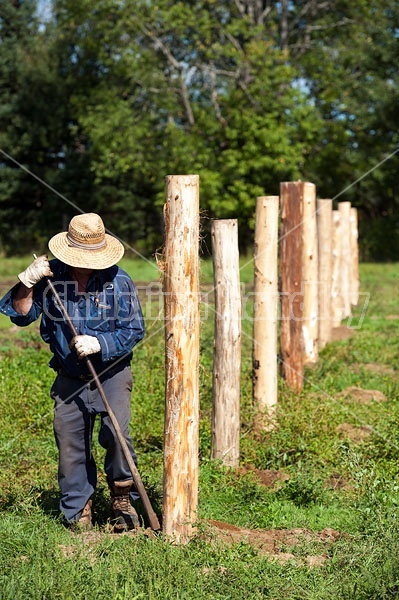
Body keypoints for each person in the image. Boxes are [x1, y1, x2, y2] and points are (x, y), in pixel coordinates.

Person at [0, 213, 145, 531]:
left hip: (111, 374)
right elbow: (21, 315)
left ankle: (122, 497)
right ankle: (78, 507)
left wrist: (101, 343)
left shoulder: (118, 281)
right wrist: (26, 282)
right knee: (71, 444)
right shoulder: (50, 278)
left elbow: (134, 330)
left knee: (117, 436)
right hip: (68, 377)